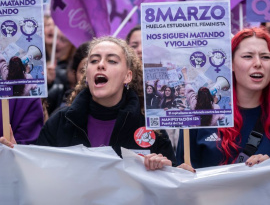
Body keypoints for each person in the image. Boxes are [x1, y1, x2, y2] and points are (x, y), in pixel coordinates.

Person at [0, 36, 184, 171]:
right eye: (94, 61)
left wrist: (171, 171)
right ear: (87, 74)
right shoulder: (60, 123)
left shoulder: (151, 130)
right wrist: (17, 158)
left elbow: (170, 190)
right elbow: (38, 177)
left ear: (128, 76)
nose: (101, 65)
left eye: (112, 61)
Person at [176, 28, 270, 168]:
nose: (258, 63)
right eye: (248, 56)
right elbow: (183, 177)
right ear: (231, 64)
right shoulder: (199, 115)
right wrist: (181, 172)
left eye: (265, 57)